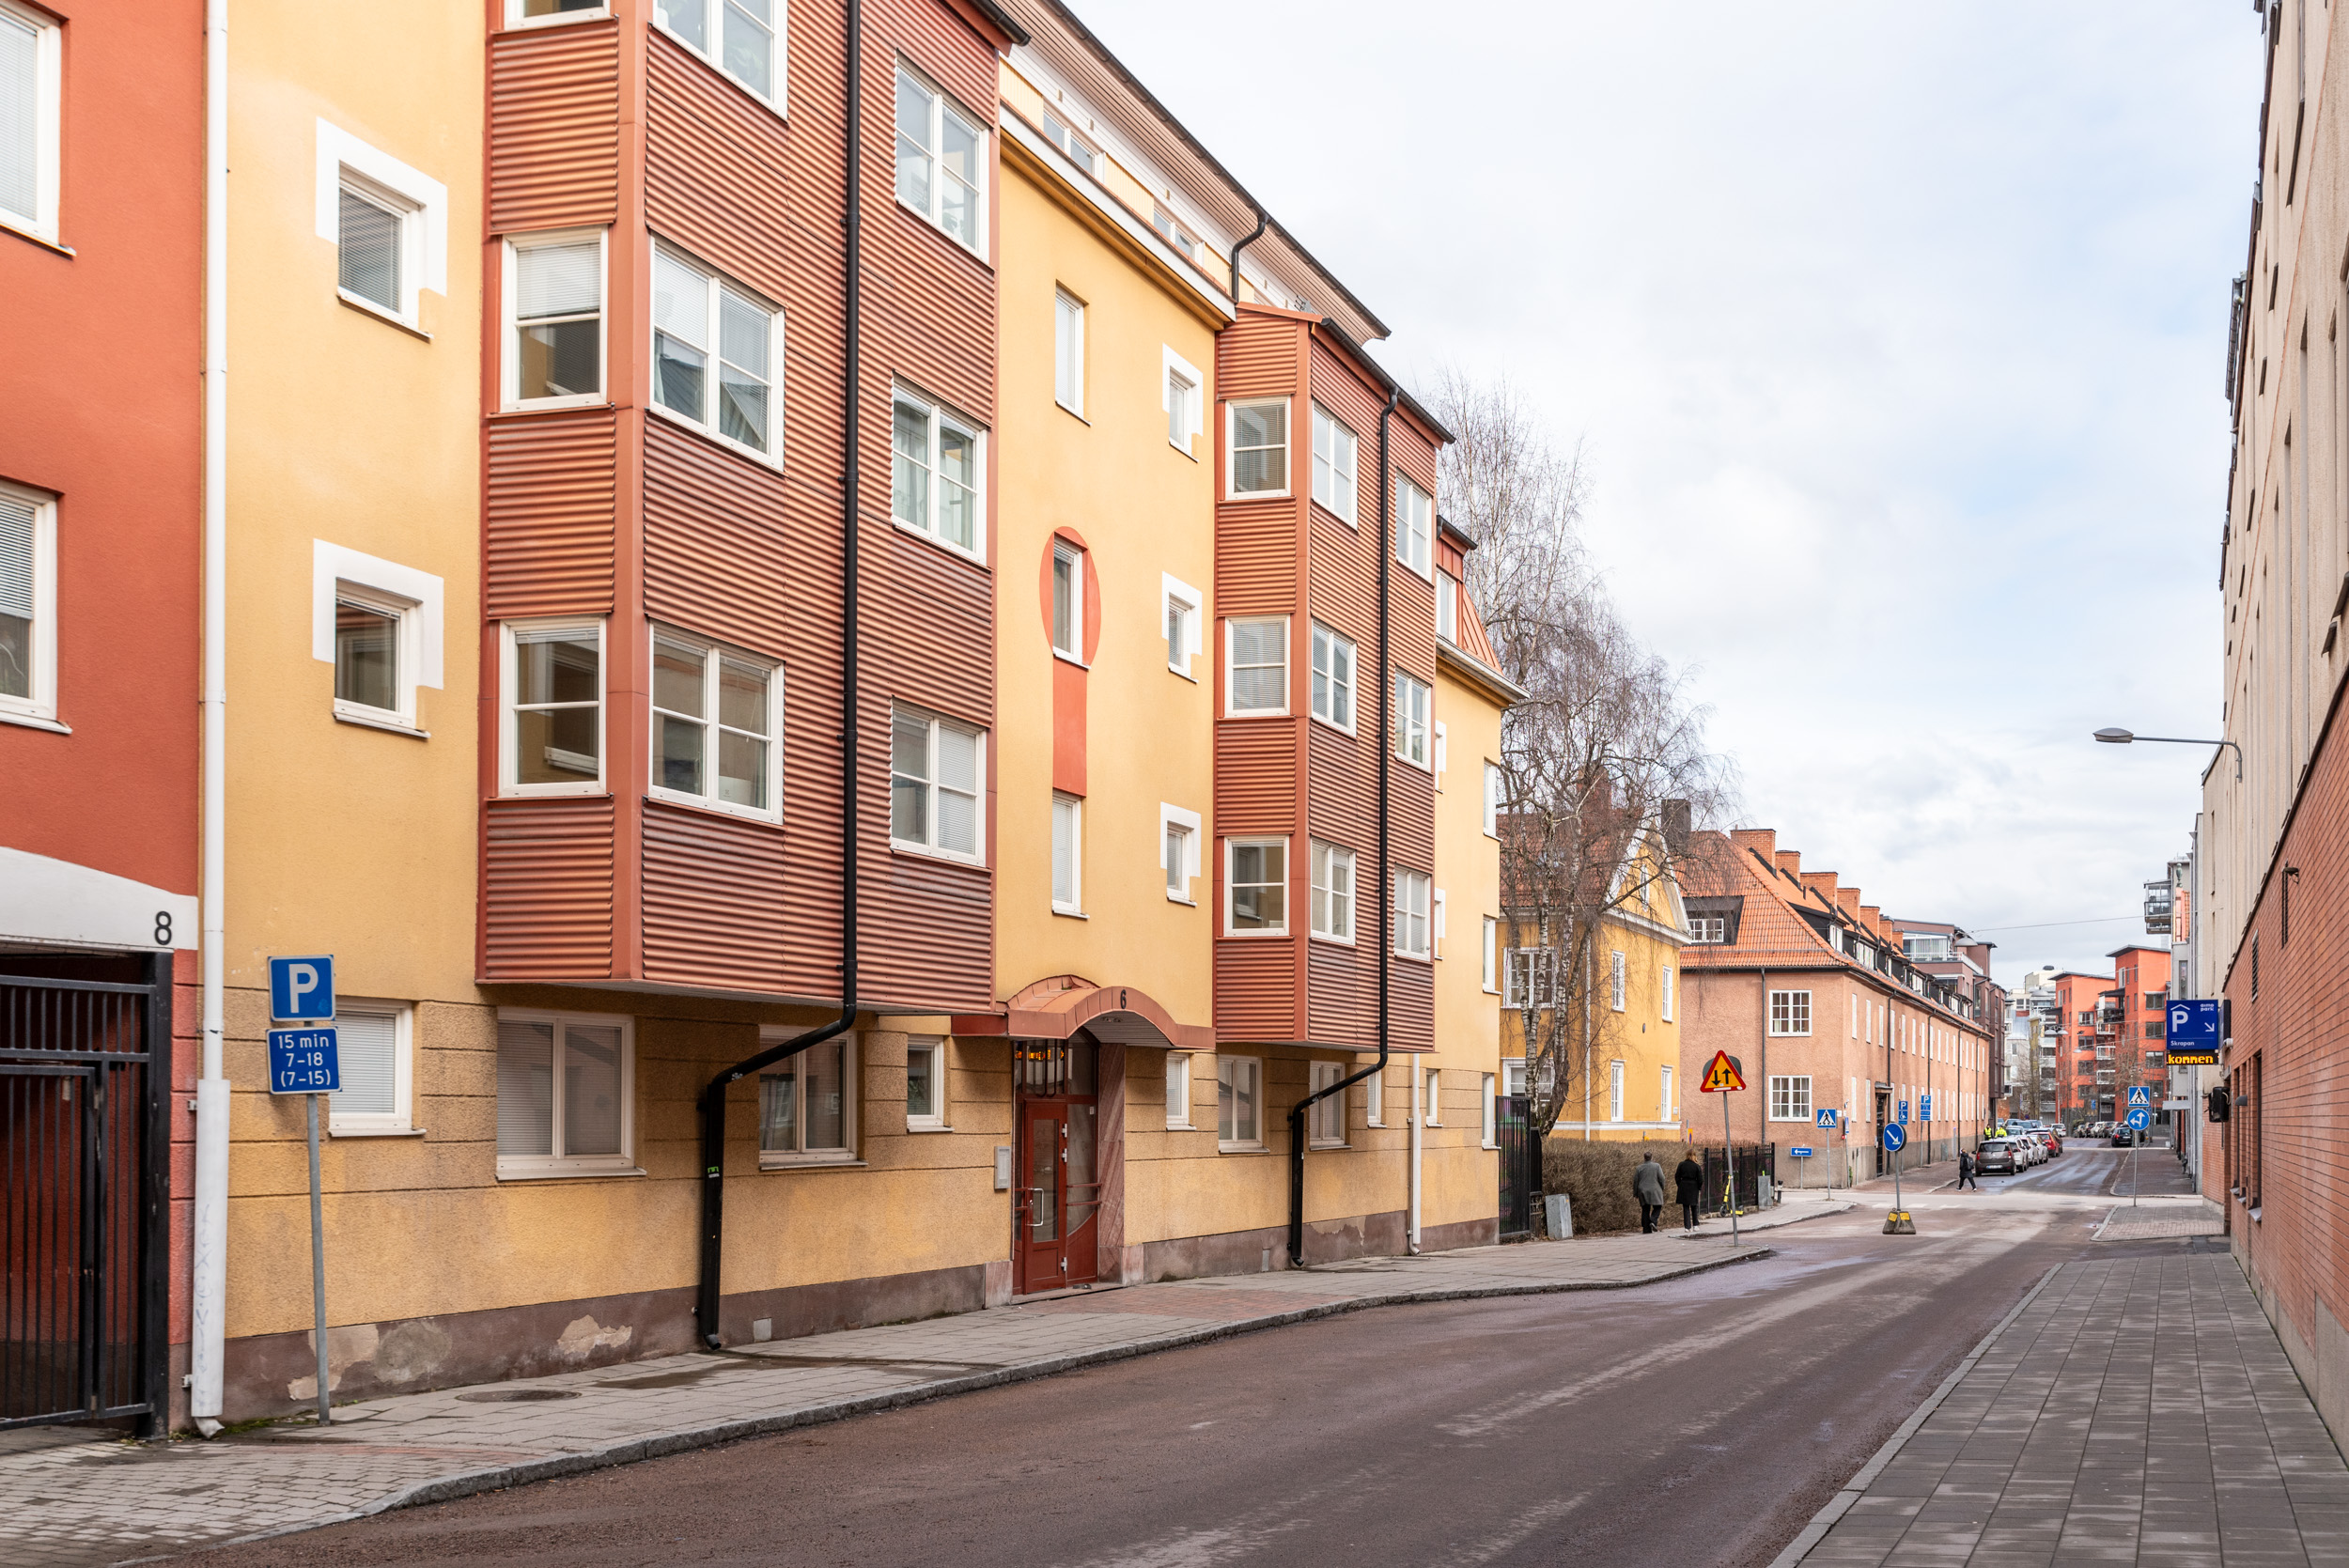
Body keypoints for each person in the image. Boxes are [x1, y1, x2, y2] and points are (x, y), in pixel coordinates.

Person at [1634, 1153, 1668, 1234]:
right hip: (1655, 1189)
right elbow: (1662, 1178)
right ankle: (1653, 1220)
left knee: (1645, 1209)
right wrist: (1662, 1187)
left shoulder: (1639, 1168)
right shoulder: (1657, 1166)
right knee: (1658, 1206)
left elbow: (1635, 1181)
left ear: (1644, 1158)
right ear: (1651, 1158)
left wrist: (1635, 1193)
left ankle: (1646, 1229)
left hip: (1642, 1190)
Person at [1674, 1149, 1704, 1231]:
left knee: (1686, 1207)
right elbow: (1700, 1180)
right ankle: (1695, 1225)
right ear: (1695, 1156)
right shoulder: (1696, 1166)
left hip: (1683, 1186)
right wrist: (1698, 1187)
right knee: (1694, 1206)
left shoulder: (1681, 1164)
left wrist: (1680, 1184)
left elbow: (1677, 1176)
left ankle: (1687, 1227)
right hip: (1693, 1186)